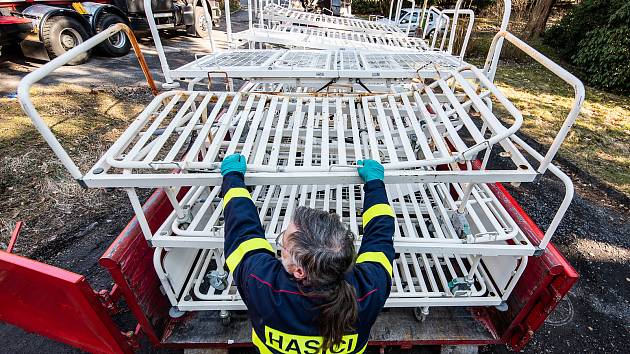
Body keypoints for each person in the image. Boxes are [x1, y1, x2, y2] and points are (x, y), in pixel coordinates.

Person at [220, 153, 395, 354]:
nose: (281, 247)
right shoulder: (370, 289)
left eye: (283, 243)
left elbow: (242, 231)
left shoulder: (261, 283)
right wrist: (375, 184)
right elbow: (380, 235)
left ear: (299, 271)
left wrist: (232, 178)